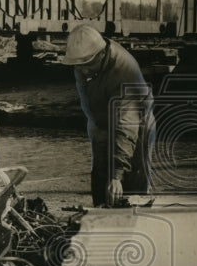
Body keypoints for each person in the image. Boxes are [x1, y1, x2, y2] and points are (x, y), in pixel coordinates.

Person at [63, 23, 155, 206]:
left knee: (130, 185)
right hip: (102, 121)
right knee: (100, 178)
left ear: (101, 54)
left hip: (136, 125)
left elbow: (126, 128)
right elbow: (88, 102)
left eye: (86, 65)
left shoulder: (123, 74)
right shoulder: (85, 64)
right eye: (78, 66)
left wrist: (116, 174)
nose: (82, 71)